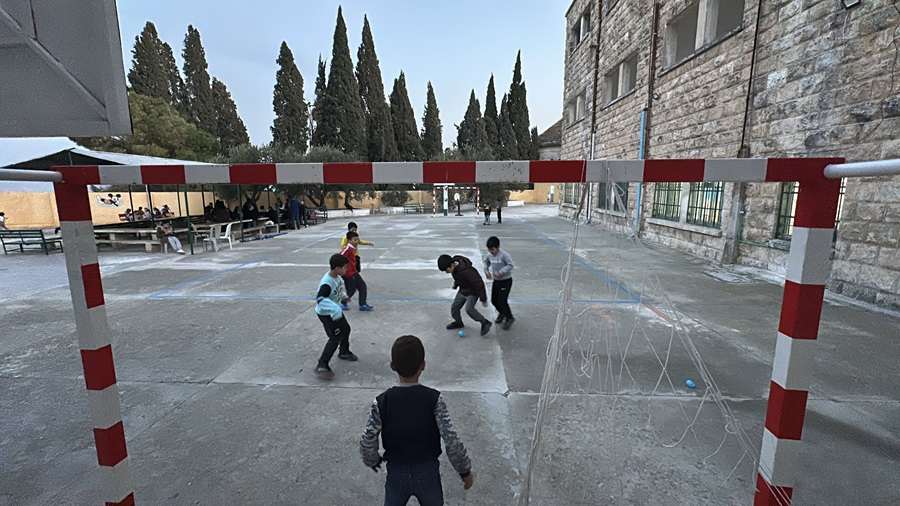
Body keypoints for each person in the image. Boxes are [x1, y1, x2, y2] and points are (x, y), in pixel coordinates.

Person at [360, 335, 474, 505]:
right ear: (423, 365)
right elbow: (451, 440)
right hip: (427, 473)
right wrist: (464, 471)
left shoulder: (382, 401)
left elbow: (368, 438)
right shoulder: (434, 399)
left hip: (396, 473)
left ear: (392, 366)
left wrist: (372, 460)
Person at [314, 254, 359, 379]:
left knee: (346, 329)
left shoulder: (338, 278)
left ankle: (344, 352)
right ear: (336, 268)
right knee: (334, 338)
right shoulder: (327, 282)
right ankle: (322, 364)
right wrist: (335, 309)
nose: (346, 270)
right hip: (327, 314)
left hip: (335, 312)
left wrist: (344, 297)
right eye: (344, 268)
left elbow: (339, 289)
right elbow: (320, 299)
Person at [437, 254, 492, 336]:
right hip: (463, 290)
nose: (446, 272)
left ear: (452, 265)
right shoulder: (454, 268)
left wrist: (483, 298)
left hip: (473, 293)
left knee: (469, 309)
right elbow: (458, 277)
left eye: (446, 270)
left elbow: (479, 284)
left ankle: (485, 322)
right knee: (454, 308)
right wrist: (455, 285)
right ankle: (458, 322)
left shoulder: (467, 271)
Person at [483, 236, 515, 330]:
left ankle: (509, 318)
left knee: (502, 301)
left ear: (497, 247)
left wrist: (501, 272)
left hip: (506, 281)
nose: (491, 252)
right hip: (496, 281)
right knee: (494, 300)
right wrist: (486, 271)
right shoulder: (489, 255)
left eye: (492, 249)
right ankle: (502, 313)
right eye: (489, 250)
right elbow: (486, 262)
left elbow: (510, 265)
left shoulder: (504, 255)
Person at [341, 231, 375, 311]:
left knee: (362, 286)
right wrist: (342, 272)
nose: (357, 242)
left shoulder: (352, 248)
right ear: (349, 240)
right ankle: (343, 302)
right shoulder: (347, 249)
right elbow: (340, 257)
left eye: (357, 240)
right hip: (348, 274)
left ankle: (362, 304)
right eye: (355, 240)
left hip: (354, 272)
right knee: (352, 290)